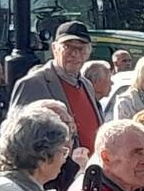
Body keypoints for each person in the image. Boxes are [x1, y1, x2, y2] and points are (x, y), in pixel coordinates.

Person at [10, 22, 101, 151]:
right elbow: (14, 134)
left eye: (81, 48)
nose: (74, 54)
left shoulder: (86, 85)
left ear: (89, 51)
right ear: (54, 48)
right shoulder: (33, 83)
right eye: (67, 47)